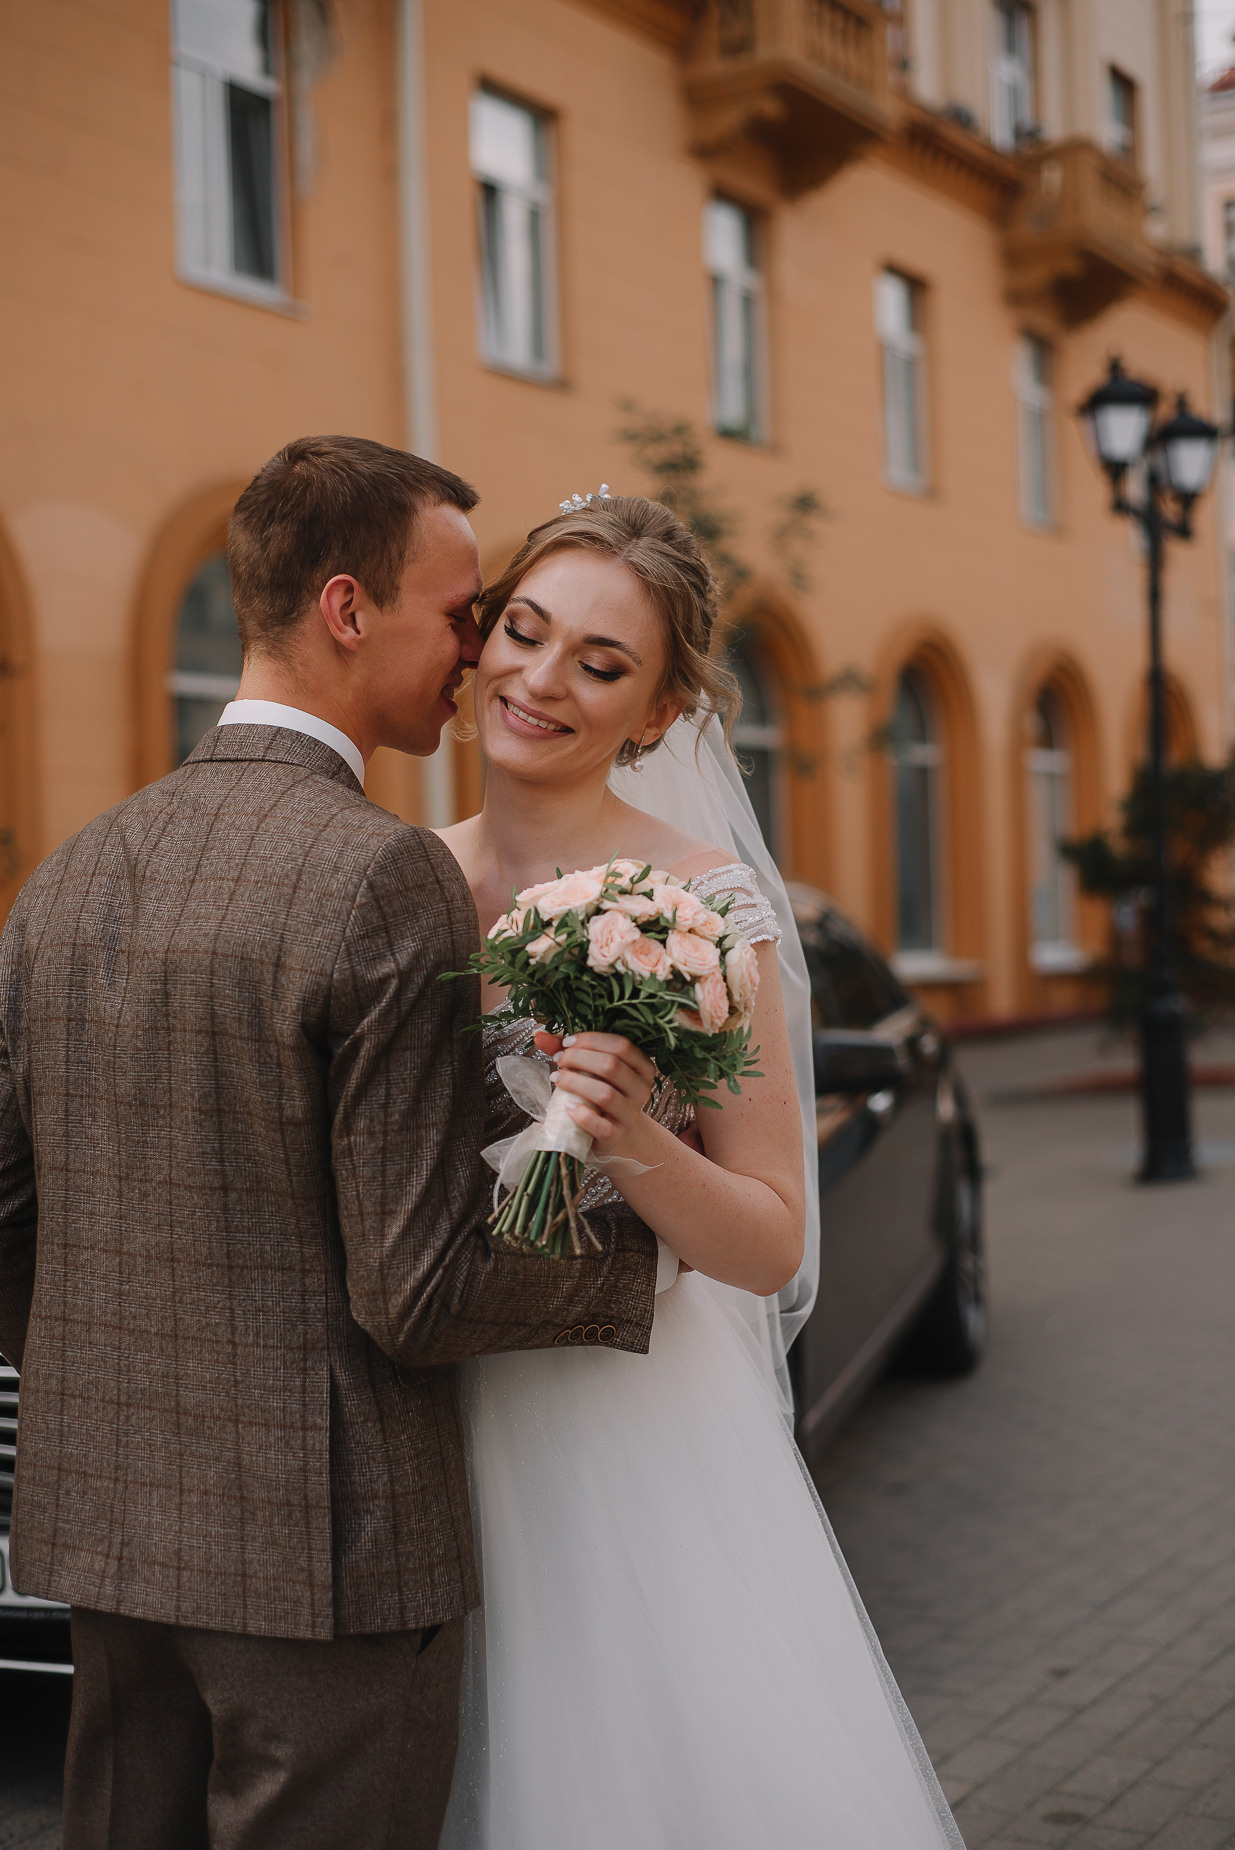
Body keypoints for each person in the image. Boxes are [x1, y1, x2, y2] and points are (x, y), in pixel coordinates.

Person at [0, 437, 660, 1850]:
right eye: (463, 611)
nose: (478, 649)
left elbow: (9, 1214)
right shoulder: (383, 872)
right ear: (352, 611)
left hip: (111, 1549)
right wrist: (633, 1241)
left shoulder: (69, 871)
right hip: (331, 1568)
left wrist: (127, 1385)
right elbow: (412, 1287)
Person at [436, 492, 966, 1848]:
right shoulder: (405, 878)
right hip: (430, 1421)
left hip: (630, 1433)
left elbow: (773, 1237)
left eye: (601, 665)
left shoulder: (704, 900)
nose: (542, 679)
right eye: (525, 630)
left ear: (661, 713)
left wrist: (631, 1138)